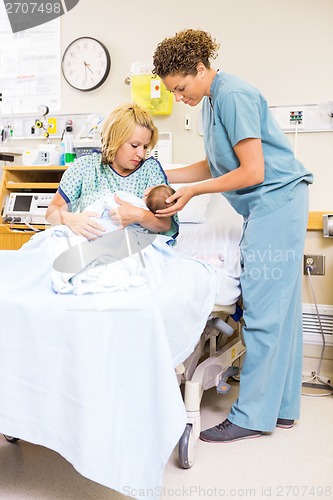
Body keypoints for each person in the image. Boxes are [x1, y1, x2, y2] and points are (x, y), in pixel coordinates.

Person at [152, 29, 314, 442]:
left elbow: (252, 172)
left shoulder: (233, 95)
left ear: (201, 69)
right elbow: (215, 163)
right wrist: (158, 173)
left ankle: (252, 417)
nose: (178, 98)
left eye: (181, 87)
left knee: (262, 312)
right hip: (271, 204)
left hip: (275, 202)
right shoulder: (211, 101)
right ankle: (282, 410)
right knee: (282, 313)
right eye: (172, 91)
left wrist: (190, 194)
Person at [45, 103, 178, 243]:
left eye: (145, 147)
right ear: (115, 139)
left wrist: (140, 215)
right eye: (134, 145)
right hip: (92, 245)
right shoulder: (85, 167)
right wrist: (71, 219)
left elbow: (165, 225)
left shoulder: (150, 170)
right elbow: (51, 213)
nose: (141, 153)